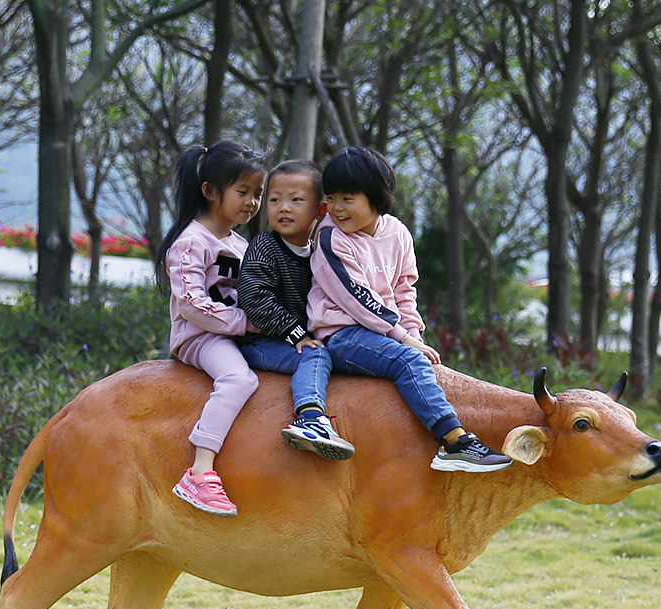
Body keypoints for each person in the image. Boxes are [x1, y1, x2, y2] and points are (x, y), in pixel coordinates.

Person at [307, 145, 513, 472]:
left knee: (420, 359)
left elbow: (404, 290)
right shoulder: (331, 237)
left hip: (385, 333)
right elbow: (355, 299)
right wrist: (404, 339)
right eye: (331, 198)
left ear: (375, 196)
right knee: (408, 359)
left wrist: (415, 334)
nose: (336, 208)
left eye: (348, 198)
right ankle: (453, 441)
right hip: (342, 334)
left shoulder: (398, 233)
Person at [155, 141, 267, 516]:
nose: (252, 202)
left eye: (258, 194)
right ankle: (200, 470)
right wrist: (245, 324)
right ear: (210, 191)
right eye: (243, 192)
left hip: (235, 333)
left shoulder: (240, 243)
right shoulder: (190, 241)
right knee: (239, 380)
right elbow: (192, 304)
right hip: (200, 337)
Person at [237, 160, 354, 460]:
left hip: (299, 337)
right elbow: (254, 298)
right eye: (274, 200)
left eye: (296, 200)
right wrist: (295, 333)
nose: (283, 208)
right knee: (315, 355)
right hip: (262, 343)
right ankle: (311, 420)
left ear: (320, 210)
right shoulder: (264, 246)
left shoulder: (322, 252)